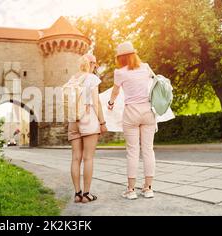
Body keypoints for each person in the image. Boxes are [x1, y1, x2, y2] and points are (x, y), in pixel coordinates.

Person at [108, 42, 157, 200]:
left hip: (131, 113)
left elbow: (115, 92)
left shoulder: (120, 72)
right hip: (148, 111)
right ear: (134, 54)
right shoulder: (146, 67)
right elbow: (155, 83)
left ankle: (131, 190)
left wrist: (110, 103)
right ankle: (148, 189)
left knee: (132, 151)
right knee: (148, 150)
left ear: (120, 58)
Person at [64, 54, 107, 203]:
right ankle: (87, 194)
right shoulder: (92, 78)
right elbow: (96, 103)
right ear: (92, 64)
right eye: (95, 64)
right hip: (88, 118)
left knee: (75, 158)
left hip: (73, 120)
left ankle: (77, 194)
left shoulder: (72, 79)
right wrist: (102, 122)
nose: (95, 67)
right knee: (88, 158)